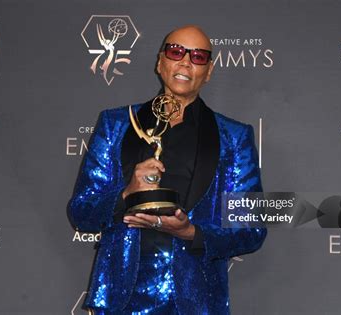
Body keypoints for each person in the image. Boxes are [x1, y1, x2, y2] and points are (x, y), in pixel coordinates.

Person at [68, 25, 267, 314]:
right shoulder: (116, 124)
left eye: (198, 56)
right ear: (160, 62)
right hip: (120, 298)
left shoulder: (235, 137)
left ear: (209, 71)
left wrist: (191, 233)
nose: (185, 62)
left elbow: (252, 229)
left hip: (197, 301)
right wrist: (126, 195)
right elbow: (81, 211)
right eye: (176, 52)